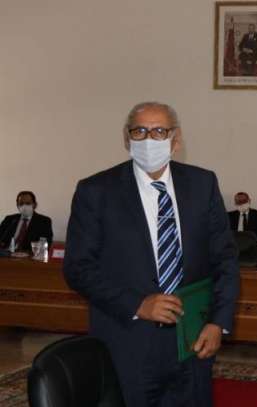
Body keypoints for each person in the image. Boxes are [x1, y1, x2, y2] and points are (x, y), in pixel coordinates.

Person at [63, 102, 239, 406]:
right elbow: (78, 268)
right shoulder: (96, 191)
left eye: (159, 131)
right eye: (140, 131)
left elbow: (224, 259)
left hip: (193, 341)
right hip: (127, 343)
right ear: (126, 138)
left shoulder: (203, 184)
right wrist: (137, 304)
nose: (148, 139)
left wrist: (217, 322)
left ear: (176, 139)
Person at [227, 192, 257, 260]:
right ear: (235, 203)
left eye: (244, 201)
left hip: (254, 250)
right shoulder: (230, 216)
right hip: (235, 250)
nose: (241, 204)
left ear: (249, 201)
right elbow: (226, 234)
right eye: (239, 202)